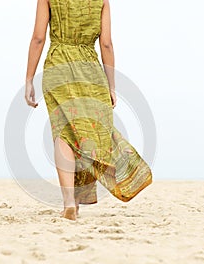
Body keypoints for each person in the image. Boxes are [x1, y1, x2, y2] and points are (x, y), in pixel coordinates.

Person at [25, 0, 152, 221]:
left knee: (63, 132)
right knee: (87, 133)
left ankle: (69, 203)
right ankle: (79, 198)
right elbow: (106, 44)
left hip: (58, 66)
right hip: (90, 69)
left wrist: (28, 79)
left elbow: (38, 38)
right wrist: (111, 86)